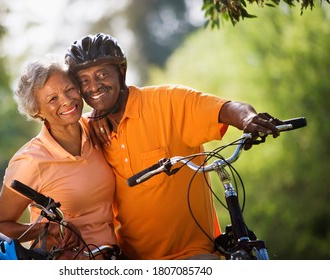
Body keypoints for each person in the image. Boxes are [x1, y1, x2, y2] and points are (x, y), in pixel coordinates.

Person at [65, 33, 284, 260]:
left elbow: (227, 109)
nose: (94, 86)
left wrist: (247, 119)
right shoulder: (88, 129)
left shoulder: (168, 102)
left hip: (192, 255)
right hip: (131, 259)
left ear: (121, 72)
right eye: (84, 80)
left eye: (102, 75)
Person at [0, 57, 117, 260]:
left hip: (114, 256)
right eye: (52, 99)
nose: (66, 100)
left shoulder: (97, 128)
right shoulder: (30, 161)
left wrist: (101, 113)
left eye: (70, 89)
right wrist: (47, 230)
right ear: (37, 111)